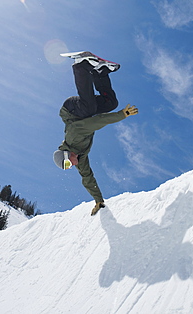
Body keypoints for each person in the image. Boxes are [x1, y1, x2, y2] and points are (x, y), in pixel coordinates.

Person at [53, 53, 138, 215]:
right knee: (110, 103)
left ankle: (80, 65)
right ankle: (101, 73)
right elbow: (87, 179)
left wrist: (122, 115)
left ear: (67, 154)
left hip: (71, 109)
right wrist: (98, 200)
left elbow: (97, 122)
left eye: (67, 163)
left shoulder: (74, 136)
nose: (71, 165)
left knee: (89, 109)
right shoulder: (80, 158)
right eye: (68, 167)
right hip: (85, 113)